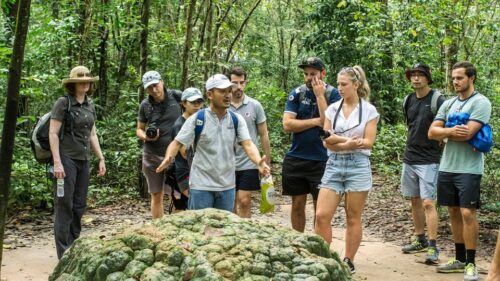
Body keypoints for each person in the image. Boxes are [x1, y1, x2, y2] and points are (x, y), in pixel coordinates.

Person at [156, 74, 270, 211]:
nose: (228, 95)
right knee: (199, 229)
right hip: (201, 186)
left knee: (223, 229)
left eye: (229, 91)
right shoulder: (197, 118)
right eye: (222, 91)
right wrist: (169, 156)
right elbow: (176, 143)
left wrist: (258, 161)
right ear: (210, 94)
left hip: (227, 187)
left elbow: (248, 144)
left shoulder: (236, 120)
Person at [428, 61, 492, 281]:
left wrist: (444, 133)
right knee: (453, 211)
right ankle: (459, 258)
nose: (455, 82)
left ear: (471, 78)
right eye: (454, 78)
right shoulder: (449, 103)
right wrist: (449, 131)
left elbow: (467, 133)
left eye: (460, 78)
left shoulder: (481, 102)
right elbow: (430, 132)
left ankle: (472, 263)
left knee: (467, 213)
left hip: (469, 168)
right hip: (447, 166)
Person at [314, 65, 379, 274]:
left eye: (344, 84)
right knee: (322, 215)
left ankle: (348, 260)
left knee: (353, 216)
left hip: (358, 165)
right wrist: (348, 143)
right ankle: (324, 257)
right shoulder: (333, 109)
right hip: (334, 164)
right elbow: (326, 140)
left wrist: (340, 141)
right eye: (339, 84)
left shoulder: (369, 110)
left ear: (356, 85)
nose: (339, 88)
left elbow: (368, 142)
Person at [49, 66, 106, 259]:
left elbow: (92, 133)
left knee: (79, 204)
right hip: (66, 159)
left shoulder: (90, 104)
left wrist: (100, 157)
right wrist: (57, 162)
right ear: (73, 84)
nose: (85, 83)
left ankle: (73, 245)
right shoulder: (63, 103)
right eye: (81, 81)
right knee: (64, 204)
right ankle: (63, 253)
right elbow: (53, 133)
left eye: (88, 80)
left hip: (84, 160)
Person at [282, 57, 340, 232]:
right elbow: (287, 125)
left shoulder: (334, 94)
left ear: (323, 73)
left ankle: (317, 244)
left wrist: (320, 96)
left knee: (319, 208)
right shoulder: (297, 93)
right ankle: (299, 242)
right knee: (297, 204)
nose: (308, 78)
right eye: (306, 74)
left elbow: (328, 125)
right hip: (297, 157)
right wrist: (315, 121)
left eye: (313, 74)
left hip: (322, 159)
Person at [400, 63, 445, 264]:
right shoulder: (408, 100)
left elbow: (445, 128)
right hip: (410, 157)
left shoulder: (437, 100)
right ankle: (420, 239)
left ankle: (433, 246)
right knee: (415, 200)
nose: (416, 79)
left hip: (429, 159)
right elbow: (410, 125)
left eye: (420, 75)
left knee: (428, 202)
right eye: (413, 75)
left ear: (428, 78)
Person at [136, 70, 182, 219]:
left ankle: (176, 231)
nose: (154, 90)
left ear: (162, 81)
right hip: (152, 155)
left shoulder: (177, 97)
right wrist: (146, 138)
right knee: (157, 194)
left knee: (178, 195)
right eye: (150, 87)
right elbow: (139, 129)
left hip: (176, 155)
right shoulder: (145, 105)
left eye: (156, 85)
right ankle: (158, 230)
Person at [228, 67, 271, 218]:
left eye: (241, 83)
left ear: (246, 83)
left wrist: (267, 160)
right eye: (234, 83)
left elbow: (264, 134)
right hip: (227, 162)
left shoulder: (255, 105)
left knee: (244, 200)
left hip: (249, 161)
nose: (238, 87)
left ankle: (246, 234)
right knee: (229, 202)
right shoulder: (223, 106)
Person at [170, 87, 205, 210]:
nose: (196, 106)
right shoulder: (179, 125)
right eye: (193, 102)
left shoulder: (201, 120)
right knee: (198, 205)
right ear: (184, 103)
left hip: (201, 172)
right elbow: (185, 152)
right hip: (185, 172)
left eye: (199, 102)